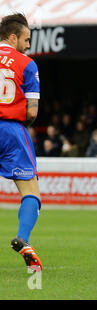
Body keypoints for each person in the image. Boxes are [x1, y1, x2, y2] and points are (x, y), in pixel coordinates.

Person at [0, 13, 42, 271]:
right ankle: (23, 239)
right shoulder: (26, 63)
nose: (28, 45)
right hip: (11, 130)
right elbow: (33, 111)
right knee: (31, 193)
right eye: (26, 39)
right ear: (13, 36)